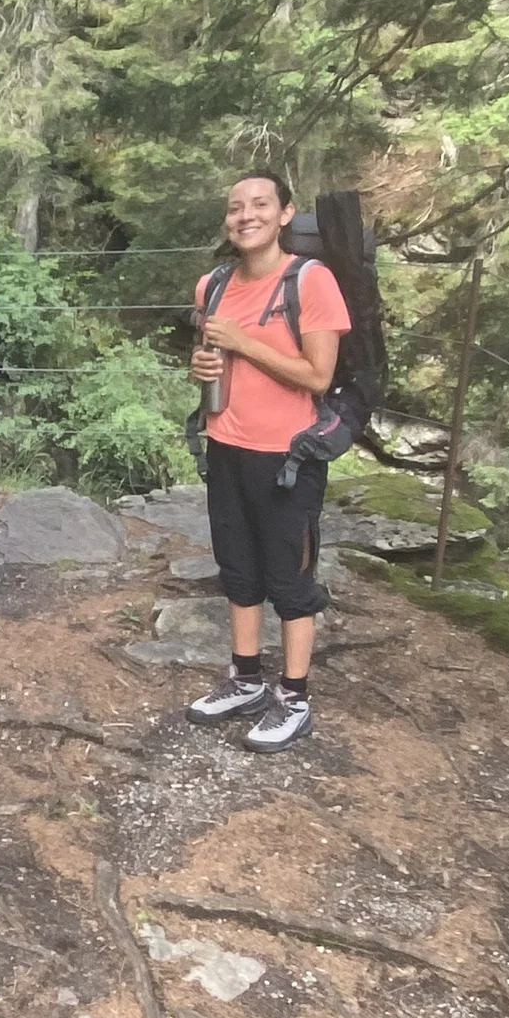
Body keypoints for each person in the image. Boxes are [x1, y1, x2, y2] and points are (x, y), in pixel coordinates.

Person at [185, 169, 353, 751]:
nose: (245, 215)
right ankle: (247, 679)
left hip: (288, 456)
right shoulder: (213, 285)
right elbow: (209, 359)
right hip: (225, 446)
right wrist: (202, 366)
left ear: (285, 213)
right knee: (237, 569)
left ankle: (295, 696)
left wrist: (243, 344)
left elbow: (318, 375)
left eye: (260, 204)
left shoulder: (311, 281)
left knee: (290, 577)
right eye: (235, 207)